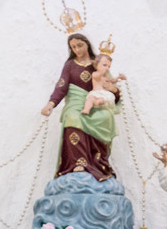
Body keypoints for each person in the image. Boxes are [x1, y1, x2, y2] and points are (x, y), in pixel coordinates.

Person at [41, 32, 120, 181]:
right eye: (73, 47)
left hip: (96, 102)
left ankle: (98, 164)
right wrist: (51, 104)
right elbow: (61, 86)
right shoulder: (70, 65)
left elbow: (111, 87)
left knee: (105, 116)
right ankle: (78, 163)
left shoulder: (98, 63)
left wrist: (114, 90)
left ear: (87, 44)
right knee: (73, 117)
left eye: (80, 45)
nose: (77, 49)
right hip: (76, 104)